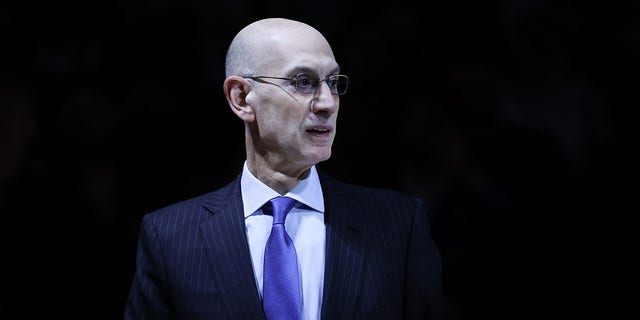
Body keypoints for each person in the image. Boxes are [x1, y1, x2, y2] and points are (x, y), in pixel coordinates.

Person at [124, 17, 452, 320]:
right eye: (303, 82)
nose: (327, 103)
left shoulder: (397, 225)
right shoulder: (169, 238)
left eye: (333, 82)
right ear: (240, 98)